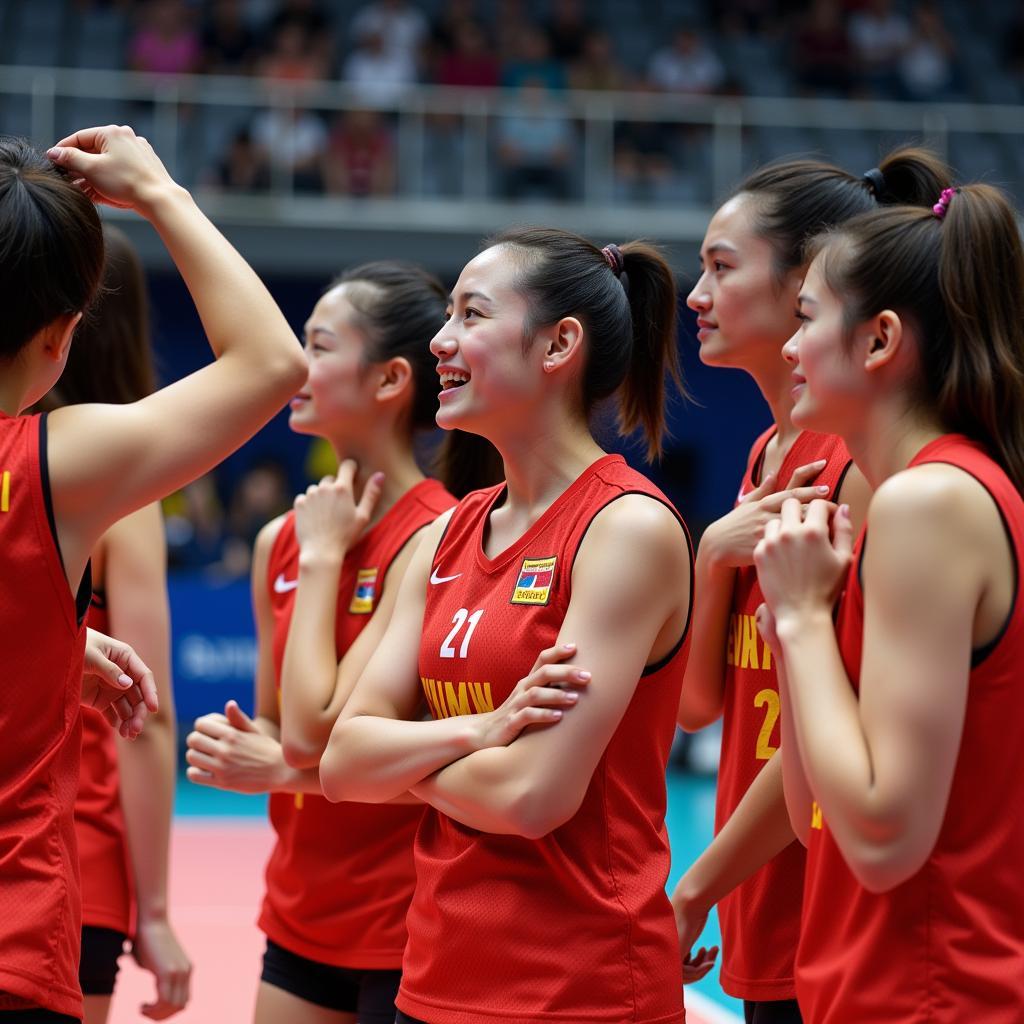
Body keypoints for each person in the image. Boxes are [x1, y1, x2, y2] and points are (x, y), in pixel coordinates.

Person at [319, 229, 702, 1024]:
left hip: (581, 990)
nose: (440, 339)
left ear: (560, 343)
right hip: (435, 976)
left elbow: (532, 796)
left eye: (472, 313)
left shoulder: (625, 528)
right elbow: (341, 764)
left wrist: (406, 757)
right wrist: (485, 730)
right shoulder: (448, 533)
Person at [0, 126, 306, 1022]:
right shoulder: (58, 462)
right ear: (61, 338)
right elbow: (270, 363)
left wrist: (59, 639)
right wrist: (162, 192)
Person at [185, 261, 498, 1024]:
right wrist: (237, 746)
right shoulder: (276, 542)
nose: (297, 364)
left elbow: (313, 734)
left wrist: (325, 560)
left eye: (319, 346)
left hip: (404, 922)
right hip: (299, 909)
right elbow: (275, 721)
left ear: (391, 379)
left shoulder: (435, 533)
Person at [754, 154, 1024, 1022]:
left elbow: (881, 842)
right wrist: (807, 629)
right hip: (870, 990)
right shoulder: (903, 501)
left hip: (933, 995)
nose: (788, 347)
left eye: (805, 319)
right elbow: (813, 819)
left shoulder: (931, 500)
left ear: (878, 340)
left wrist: (797, 622)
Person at [674, 154, 898, 1024]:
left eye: (721, 267)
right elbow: (700, 706)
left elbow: (837, 733)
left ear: (806, 282)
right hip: (762, 902)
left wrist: (696, 881)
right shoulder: (768, 457)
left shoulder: (859, 468)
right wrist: (709, 558)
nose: (697, 293)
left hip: (827, 897)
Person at [34, 225, 190, 1022]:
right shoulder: (116, 495)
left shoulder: (25, 461)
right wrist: (156, 912)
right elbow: (149, 716)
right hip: (68, 855)